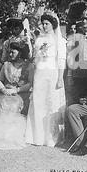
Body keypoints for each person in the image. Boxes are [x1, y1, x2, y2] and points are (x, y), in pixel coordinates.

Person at [25, 12, 67, 147]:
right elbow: (35, 59)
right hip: (40, 73)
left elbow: (61, 60)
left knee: (51, 102)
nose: (44, 26)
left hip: (52, 73)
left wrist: (60, 78)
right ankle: (37, 136)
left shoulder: (59, 40)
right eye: (42, 23)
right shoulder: (38, 39)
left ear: (53, 24)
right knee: (38, 102)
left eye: (47, 24)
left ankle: (51, 137)